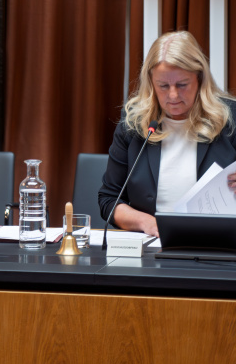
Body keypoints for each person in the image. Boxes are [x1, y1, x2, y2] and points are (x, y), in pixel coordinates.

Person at [98, 31, 236, 237]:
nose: (173, 95)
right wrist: (148, 223)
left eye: (182, 85)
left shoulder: (230, 118)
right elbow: (109, 200)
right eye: (163, 86)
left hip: (217, 244)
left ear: (199, 79)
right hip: (151, 246)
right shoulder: (133, 123)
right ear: (151, 83)